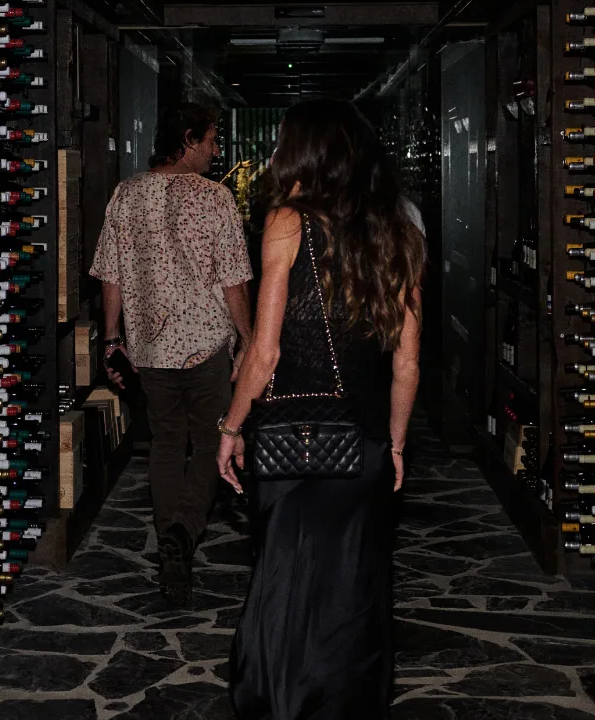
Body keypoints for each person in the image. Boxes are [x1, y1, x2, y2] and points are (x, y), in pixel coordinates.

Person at [218, 99, 425, 720]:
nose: (278, 153)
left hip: (296, 442)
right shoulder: (402, 234)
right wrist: (394, 444)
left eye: (284, 143)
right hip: (360, 442)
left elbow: (265, 349)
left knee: (284, 585)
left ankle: (281, 702)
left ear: (305, 152)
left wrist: (231, 426)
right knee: (349, 592)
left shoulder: (288, 221)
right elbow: (407, 363)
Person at [90, 101, 255, 605]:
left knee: (164, 445)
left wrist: (113, 338)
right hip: (205, 345)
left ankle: (169, 552)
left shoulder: (125, 194)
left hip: (149, 347)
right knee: (211, 443)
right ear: (188, 139)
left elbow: (111, 275)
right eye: (210, 140)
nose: (215, 150)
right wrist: (249, 339)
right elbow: (234, 281)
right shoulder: (216, 198)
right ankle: (183, 530)